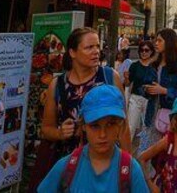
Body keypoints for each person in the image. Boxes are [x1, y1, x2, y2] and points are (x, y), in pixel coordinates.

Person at [31, 28, 131, 190]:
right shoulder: (57, 85)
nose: (96, 52)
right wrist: (60, 133)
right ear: (72, 52)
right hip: (71, 165)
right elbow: (46, 129)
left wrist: (128, 165)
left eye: (97, 46)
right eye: (89, 47)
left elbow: (124, 126)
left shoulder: (109, 77)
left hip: (108, 160)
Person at [38, 85, 149, 193]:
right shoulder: (67, 168)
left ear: (120, 125)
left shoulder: (130, 171)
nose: (102, 134)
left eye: (110, 124)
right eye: (95, 126)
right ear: (84, 126)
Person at [142, 29, 177, 142]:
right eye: (156, 40)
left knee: (167, 153)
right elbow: (143, 89)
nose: (156, 43)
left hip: (169, 117)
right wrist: (146, 89)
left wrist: (165, 91)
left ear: (168, 42)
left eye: (159, 40)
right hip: (151, 115)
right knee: (148, 152)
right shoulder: (153, 65)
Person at [126, 41, 157, 141]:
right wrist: (126, 77)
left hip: (149, 100)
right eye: (141, 50)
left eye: (146, 50)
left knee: (146, 128)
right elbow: (127, 83)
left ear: (151, 52)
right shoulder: (134, 66)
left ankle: (143, 153)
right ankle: (126, 153)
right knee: (131, 127)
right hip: (135, 98)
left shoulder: (154, 67)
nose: (144, 52)